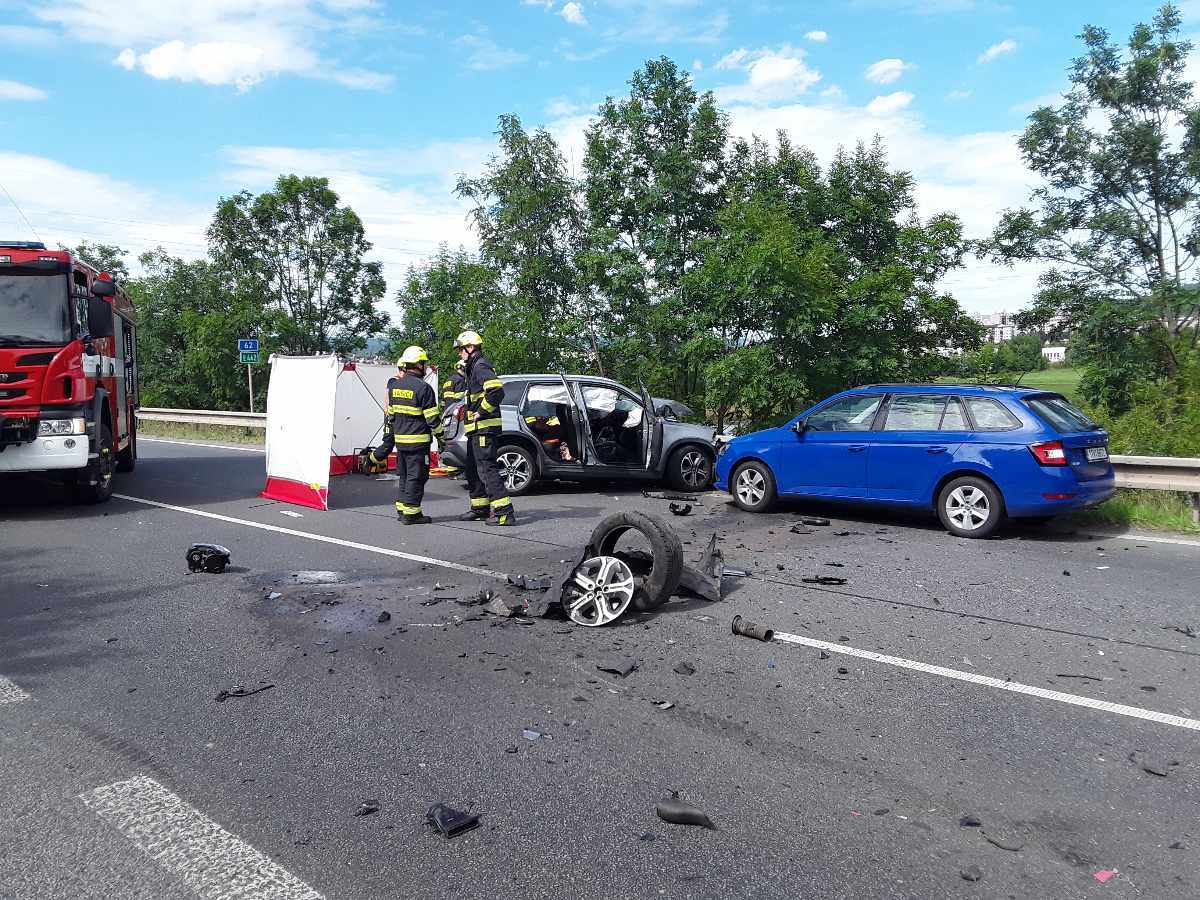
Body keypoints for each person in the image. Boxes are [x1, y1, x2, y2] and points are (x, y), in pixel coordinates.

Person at [369, 346, 443, 524]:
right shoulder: (424, 388)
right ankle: (412, 513)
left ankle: (402, 508)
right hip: (418, 442)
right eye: (423, 363)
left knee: (404, 475)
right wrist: (442, 437)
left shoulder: (395, 387)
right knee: (417, 476)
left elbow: (391, 415)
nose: (424, 366)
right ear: (417, 364)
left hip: (401, 442)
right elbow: (432, 419)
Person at [454, 329, 516, 526]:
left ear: (471, 348)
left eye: (461, 350)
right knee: (472, 469)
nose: (459, 354)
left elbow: (496, 391)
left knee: (486, 469)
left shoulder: (480, 365)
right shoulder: (473, 367)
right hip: (476, 428)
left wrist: (481, 411)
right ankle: (480, 508)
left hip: (484, 428)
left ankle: (504, 513)